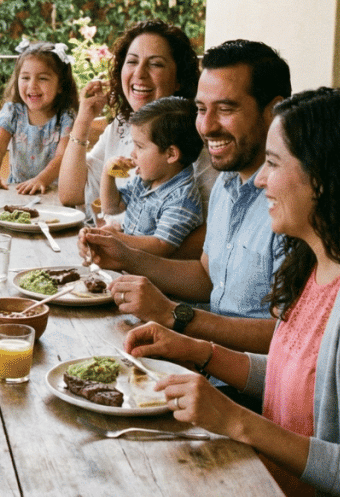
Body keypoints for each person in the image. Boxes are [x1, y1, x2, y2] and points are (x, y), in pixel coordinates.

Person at [125, 88, 340, 497]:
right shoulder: (315, 266)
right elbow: (295, 376)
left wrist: (233, 418)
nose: (258, 181)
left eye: (273, 164)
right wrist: (197, 350)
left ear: (324, 177)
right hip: (268, 496)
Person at [87, 39, 291, 355]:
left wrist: (176, 315)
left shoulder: (293, 203)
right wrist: (126, 256)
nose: (206, 126)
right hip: (201, 358)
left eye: (225, 109)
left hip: (246, 384)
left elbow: (289, 338)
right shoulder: (227, 180)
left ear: (274, 111)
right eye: (200, 109)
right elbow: (207, 277)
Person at [58, 19, 217, 225]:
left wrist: (124, 246)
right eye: (132, 61)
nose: (139, 73)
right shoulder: (123, 126)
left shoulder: (194, 137)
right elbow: (71, 194)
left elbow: (207, 233)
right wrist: (83, 119)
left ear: (179, 79)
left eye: (155, 64)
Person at [98, 96, 204, 257]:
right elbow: (112, 207)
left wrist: (118, 238)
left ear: (171, 154)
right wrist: (108, 173)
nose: (132, 153)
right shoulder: (146, 180)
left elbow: (161, 245)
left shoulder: (182, 198)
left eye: (139, 146)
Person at [0, 40, 78, 194]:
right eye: (25, 78)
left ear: (61, 84)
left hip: (54, 192)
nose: (32, 85)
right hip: (17, 191)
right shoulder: (13, 113)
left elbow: (62, 157)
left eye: (43, 78)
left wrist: (40, 180)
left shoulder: (65, 117)